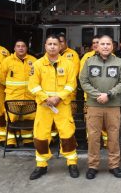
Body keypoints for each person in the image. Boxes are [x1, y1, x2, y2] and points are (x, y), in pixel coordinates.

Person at [28, 34, 79, 180]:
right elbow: (33, 85)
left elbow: (71, 84)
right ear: (45, 46)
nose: (52, 47)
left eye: (55, 44)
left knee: (67, 134)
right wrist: (46, 98)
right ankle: (41, 165)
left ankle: (72, 163)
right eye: (49, 44)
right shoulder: (37, 65)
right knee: (40, 135)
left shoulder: (68, 64)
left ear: (60, 46)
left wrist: (58, 97)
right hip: (44, 106)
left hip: (62, 105)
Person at [79, 35, 121, 180]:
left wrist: (109, 94)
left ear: (112, 46)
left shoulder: (120, 62)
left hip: (113, 105)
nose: (105, 46)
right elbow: (83, 81)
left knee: (113, 137)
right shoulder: (89, 62)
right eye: (102, 44)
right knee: (94, 137)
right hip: (94, 105)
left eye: (108, 44)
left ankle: (114, 165)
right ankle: (93, 166)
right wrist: (97, 95)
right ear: (97, 46)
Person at [0, 40, 37, 148]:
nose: (21, 48)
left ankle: (27, 140)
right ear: (14, 48)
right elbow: (1, 77)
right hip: (13, 96)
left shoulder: (34, 61)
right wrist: (11, 87)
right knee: (11, 118)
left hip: (29, 96)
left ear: (26, 48)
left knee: (28, 118)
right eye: (18, 46)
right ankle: (11, 141)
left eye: (23, 46)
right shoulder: (7, 61)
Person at [58, 33, 80, 101]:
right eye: (57, 42)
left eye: (61, 41)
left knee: (70, 110)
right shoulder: (52, 54)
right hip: (55, 90)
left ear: (65, 42)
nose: (59, 43)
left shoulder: (73, 54)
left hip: (69, 89)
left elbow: (74, 73)